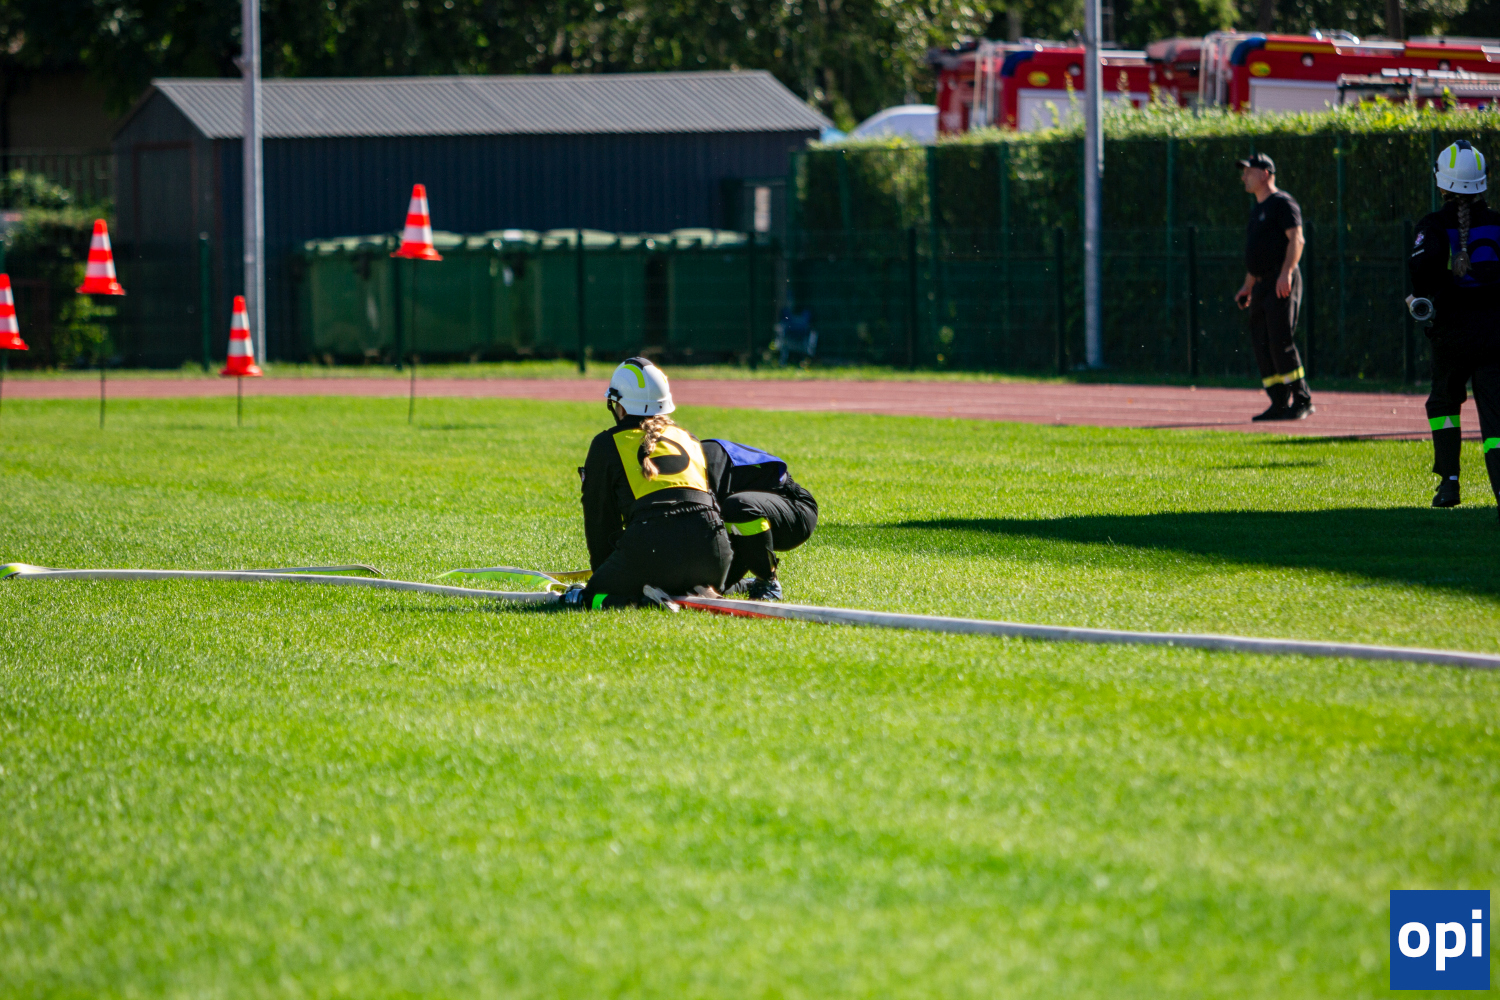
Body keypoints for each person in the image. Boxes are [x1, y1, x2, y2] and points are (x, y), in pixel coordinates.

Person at [562, 358, 731, 609]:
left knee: (588, 597)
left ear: (619, 406)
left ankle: (644, 600)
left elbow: (600, 520)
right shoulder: (690, 439)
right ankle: (698, 586)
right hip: (714, 557)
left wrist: (603, 576)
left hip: (652, 550)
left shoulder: (607, 444)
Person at [1409, 139, 1500, 514]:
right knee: (1496, 418)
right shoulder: (1498, 223)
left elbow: (1422, 274)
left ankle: (1449, 483)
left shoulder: (1432, 226)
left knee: (1444, 402)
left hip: (1451, 335)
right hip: (1496, 335)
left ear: (1441, 181)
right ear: (1483, 179)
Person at [1233, 153, 1315, 421]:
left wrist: (1286, 273)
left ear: (1265, 173)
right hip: (1261, 284)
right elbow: (1257, 255)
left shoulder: (1282, 203)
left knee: (1280, 340)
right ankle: (1279, 402)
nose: (1244, 176)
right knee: (1262, 342)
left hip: (1280, 280)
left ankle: (1302, 399)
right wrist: (1247, 287)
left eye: (1249, 171)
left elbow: (1297, 239)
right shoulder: (1257, 209)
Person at [701, 438, 819, 601]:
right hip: (744, 518)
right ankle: (747, 585)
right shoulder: (685, 460)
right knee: (704, 585)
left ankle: (768, 582)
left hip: (795, 509)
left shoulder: (702, 461)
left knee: (738, 506)